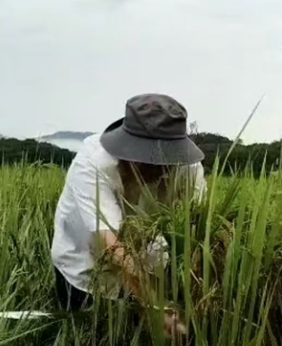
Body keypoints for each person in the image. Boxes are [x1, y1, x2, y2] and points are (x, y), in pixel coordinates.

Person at [50, 93, 207, 337]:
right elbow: (110, 245)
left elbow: (198, 228)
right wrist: (151, 304)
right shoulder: (92, 164)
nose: (156, 170)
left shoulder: (188, 168)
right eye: (146, 160)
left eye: (164, 161)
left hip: (150, 263)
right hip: (86, 267)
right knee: (89, 335)